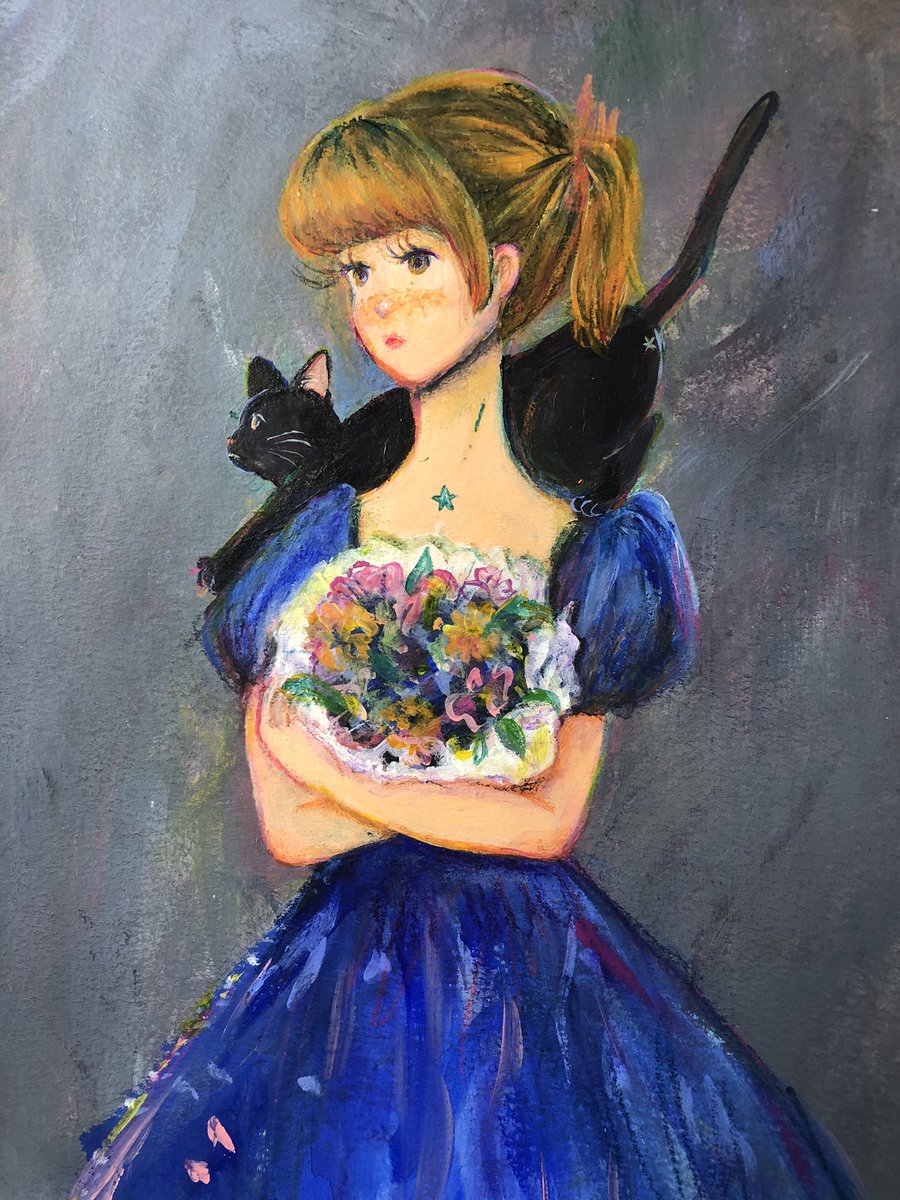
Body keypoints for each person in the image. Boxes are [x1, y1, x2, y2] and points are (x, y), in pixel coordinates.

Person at [71, 70, 866, 1198]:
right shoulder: (323, 529)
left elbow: (548, 821)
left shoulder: (588, 536)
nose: (377, 303)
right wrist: (455, 796)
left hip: (539, 980)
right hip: (338, 982)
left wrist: (343, 771)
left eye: (412, 259)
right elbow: (289, 828)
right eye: (356, 270)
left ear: (499, 268)